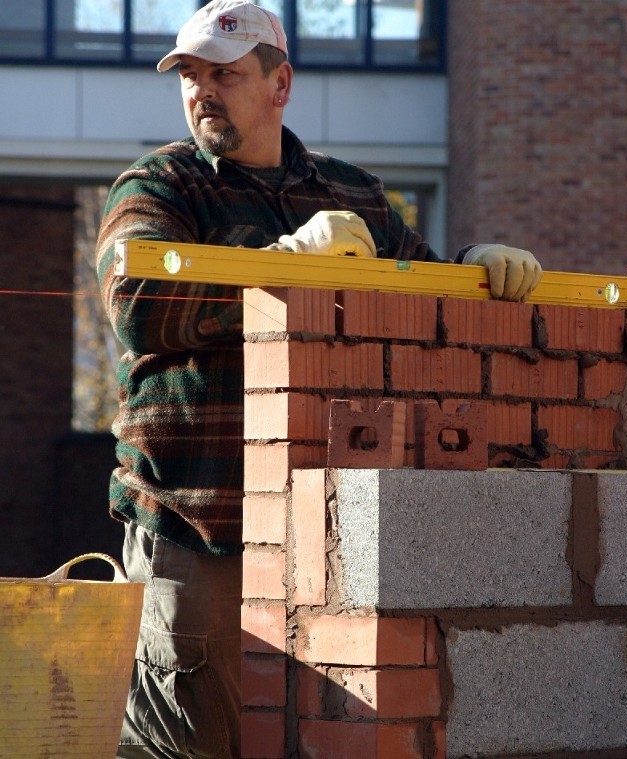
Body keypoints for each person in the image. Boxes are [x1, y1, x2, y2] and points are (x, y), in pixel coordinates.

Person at [96, 2, 543, 757]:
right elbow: (140, 306)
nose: (202, 90)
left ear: (280, 85)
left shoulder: (354, 196)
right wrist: (283, 264)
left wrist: (475, 269)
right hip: (198, 528)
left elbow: (423, 292)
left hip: (327, 532)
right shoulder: (162, 185)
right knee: (198, 741)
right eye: (191, 76)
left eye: (225, 74)